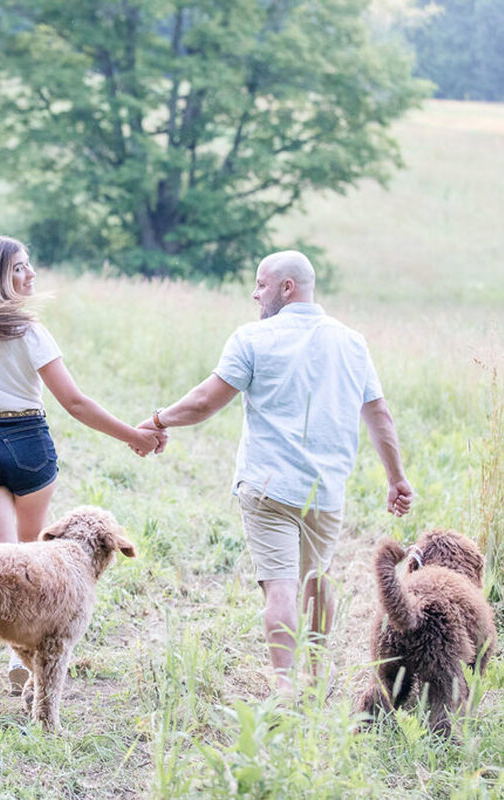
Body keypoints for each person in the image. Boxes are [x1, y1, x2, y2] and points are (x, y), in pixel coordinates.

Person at [139, 250, 412, 698]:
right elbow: (378, 413)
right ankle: (317, 675)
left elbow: (207, 400)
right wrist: (396, 477)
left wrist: (158, 420)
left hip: (267, 485)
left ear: (288, 287)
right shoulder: (351, 342)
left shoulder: (252, 338)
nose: (254, 292)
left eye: (261, 284)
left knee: (281, 584)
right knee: (317, 578)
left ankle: (285, 684)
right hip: (326, 489)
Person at [0, 235, 164, 691]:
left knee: (0, 560)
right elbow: (74, 401)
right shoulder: (29, 331)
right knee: (30, 556)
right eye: (19, 268)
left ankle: (16, 655)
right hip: (26, 440)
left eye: (29, 265)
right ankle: (28, 657)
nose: (30, 274)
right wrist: (135, 437)